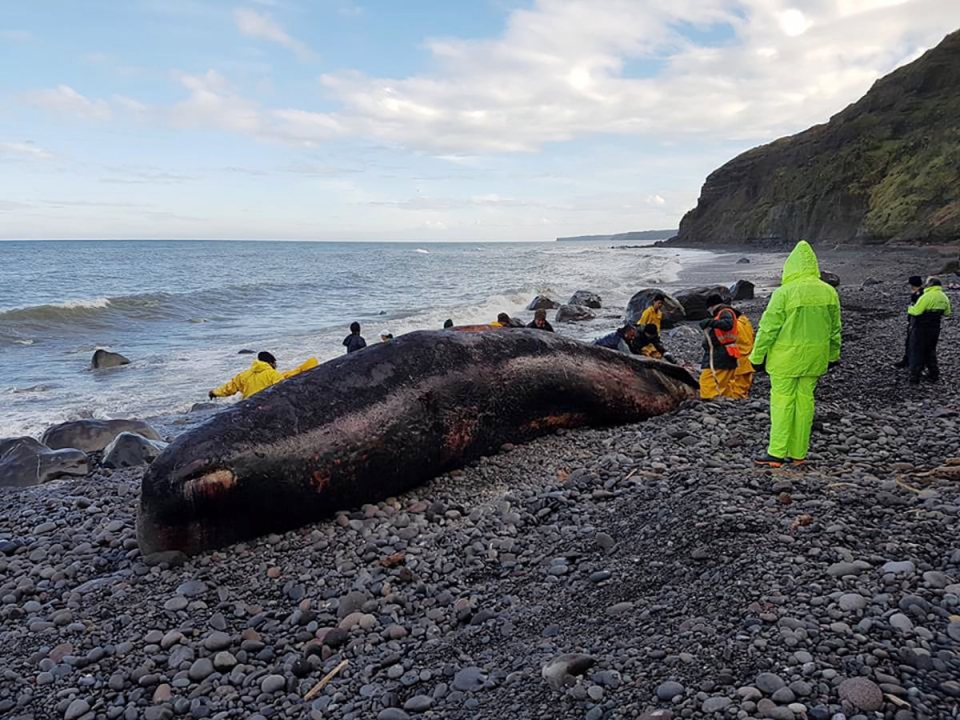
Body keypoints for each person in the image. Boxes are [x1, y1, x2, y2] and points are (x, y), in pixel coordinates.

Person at [749, 240, 841, 468]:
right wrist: (832, 356)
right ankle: (798, 453)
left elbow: (768, 329)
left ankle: (777, 453)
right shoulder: (829, 292)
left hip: (785, 360)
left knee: (782, 403)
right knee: (805, 403)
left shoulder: (784, 293)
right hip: (815, 358)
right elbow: (835, 329)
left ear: (791, 266)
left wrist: (756, 358)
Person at [906, 276, 952, 384]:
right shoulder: (944, 297)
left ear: (930, 285)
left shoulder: (927, 296)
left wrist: (910, 308)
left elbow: (917, 311)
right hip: (935, 327)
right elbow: (947, 313)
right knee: (931, 350)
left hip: (921, 327)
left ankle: (915, 376)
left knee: (916, 350)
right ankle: (933, 373)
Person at [698, 294, 740, 400]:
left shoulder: (724, 312)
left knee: (707, 378)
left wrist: (709, 322)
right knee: (724, 379)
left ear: (712, 306)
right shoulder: (724, 313)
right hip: (727, 352)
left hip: (720, 352)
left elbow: (727, 324)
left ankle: (709, 398)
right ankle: (726, 399)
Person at [209, 351, 284, 400]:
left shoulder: (243, 375)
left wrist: (214, 392)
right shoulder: (274, 374)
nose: (276, 366)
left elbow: (229, 389)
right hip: (267, 406)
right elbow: (282, 391)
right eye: (275, 363)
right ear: (271, 363)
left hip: (247, 406)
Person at [894, 275, 925, 368]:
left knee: (913, 343)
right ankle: (908, 360)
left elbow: (918, 309)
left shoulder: (919, 295)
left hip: (917, 322)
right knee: (910, 342)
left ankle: (913, 363)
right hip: (916, 322)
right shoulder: (922, 293)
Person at [729, 310, 756, 400]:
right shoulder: (746, 323)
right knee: (745, 379)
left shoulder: (736, 325)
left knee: (737, 379)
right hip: (748, 354)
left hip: (739, 355)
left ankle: (737, 396)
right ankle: (743, 394)